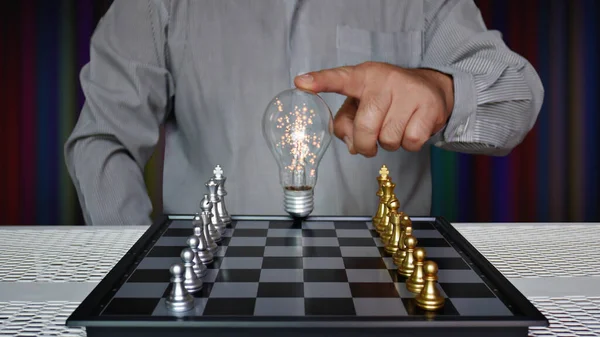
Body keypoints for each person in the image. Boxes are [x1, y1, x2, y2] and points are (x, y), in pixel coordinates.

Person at [64, 0, 543, 226]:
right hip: (212, 296)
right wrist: (137, 269)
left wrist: (442, 92)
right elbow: (103, 139)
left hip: (377, 297)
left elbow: (518, 94)